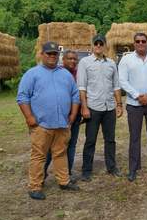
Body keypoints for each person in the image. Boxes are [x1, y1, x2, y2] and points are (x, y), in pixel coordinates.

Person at [17, 42, 80, 200]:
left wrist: (72, 115)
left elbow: (75, 95)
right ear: (42, 54)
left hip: (62, 123)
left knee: (60, 154)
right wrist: (29, 117)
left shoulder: (65, 74)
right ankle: (35, 186)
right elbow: (22, 97)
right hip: (41, 124)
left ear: (58, 56)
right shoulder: (32, 74)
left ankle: (63, 181)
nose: (52, 56)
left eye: (54, 54)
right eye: (49, 53)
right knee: (39, 156)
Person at [119, 33, 147, 182]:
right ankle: (133, 168)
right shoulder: (126, 59)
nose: (140, 43)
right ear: (134, 43)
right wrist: (137, 95)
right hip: (134, 104)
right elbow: (122, 81)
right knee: (134, 137)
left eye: (143, 41)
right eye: (137, 41)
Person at [77, 34, 123, 181]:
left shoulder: (111, 64)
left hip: (109, 107)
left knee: (110, 140)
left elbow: (116, 86)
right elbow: (82, 87)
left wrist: (119, 104)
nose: (98, 46)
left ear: (105, 46)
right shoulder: (85, 62)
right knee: (90, 140)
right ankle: (86, 170)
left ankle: (111, 167)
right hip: (93, 107)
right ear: (92, 45)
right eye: (96, 43)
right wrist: (84, 107)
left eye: (101, 43)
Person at [44, 50, 81, 182]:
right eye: (69, 59)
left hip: (75, 116)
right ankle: (42, 173)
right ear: (63, 60)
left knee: (71, 145)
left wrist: (75, 114)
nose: (72, 61)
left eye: (75, 59)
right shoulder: (56, 73)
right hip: (59, 116)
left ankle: (67, 173)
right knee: (51, 146)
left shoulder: (79, 74)